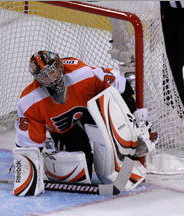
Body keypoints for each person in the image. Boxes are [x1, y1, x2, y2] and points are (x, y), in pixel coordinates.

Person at [14, 50, 157, 195]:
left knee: (115, 131)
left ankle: (127, 159)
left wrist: (136, 117)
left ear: (60, 66)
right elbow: (27, 145)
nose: (51, 79)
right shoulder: (29, 102)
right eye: (44, 76)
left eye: (52, 72)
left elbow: (120, 83)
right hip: (63, 129)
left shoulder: (82, 74)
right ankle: (51, 150)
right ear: (37, 79)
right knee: (78, 174)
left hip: (90, 112)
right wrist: (26, 171)